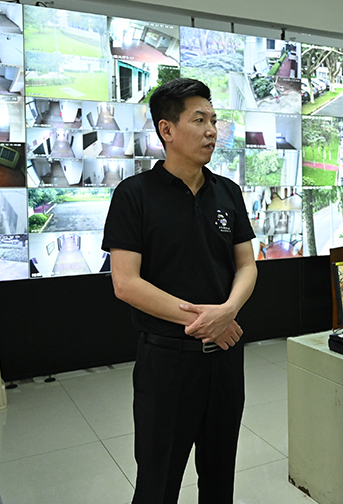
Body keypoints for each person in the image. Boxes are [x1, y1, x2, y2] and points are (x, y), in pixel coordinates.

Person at [101, 77, 258, 504]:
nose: (212, 131)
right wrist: (209, 320)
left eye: (214, 121)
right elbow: (126, 283)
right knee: (158, 482)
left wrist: (228, 310)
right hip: (166, 362)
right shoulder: (134, 194)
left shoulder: (228, 192)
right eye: (199, 120)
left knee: (220, 478)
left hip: (225, 359)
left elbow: (246, 265)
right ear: (166, 129)